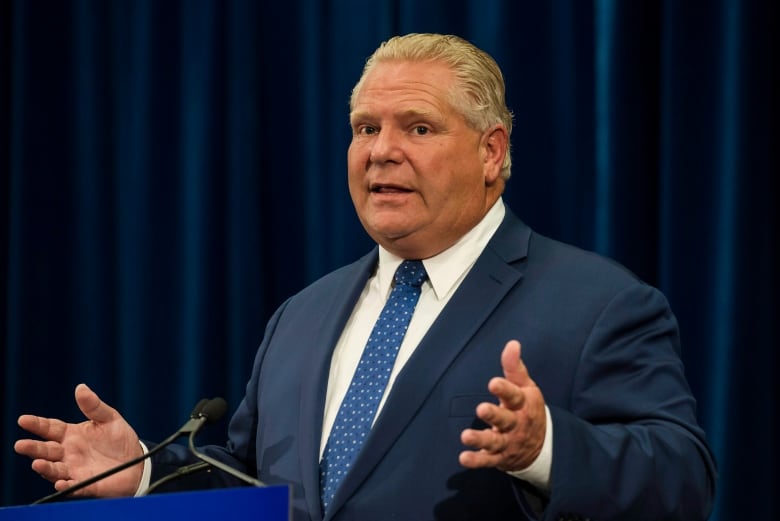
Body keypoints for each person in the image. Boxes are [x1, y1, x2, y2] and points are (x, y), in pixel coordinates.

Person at [14, 33, 716, 520]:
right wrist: (140, 472)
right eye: (363, 128)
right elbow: (253, 486)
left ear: (491, 152)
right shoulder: (302, 315)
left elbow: (683, 479)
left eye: (416, 128)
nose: (380, 152)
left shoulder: (599, 305)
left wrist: (546, 448)